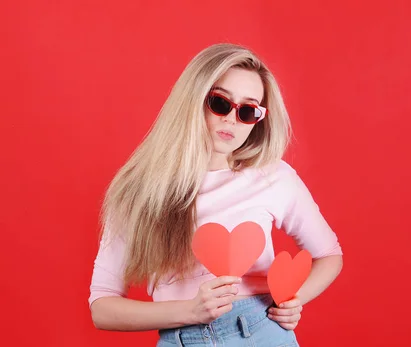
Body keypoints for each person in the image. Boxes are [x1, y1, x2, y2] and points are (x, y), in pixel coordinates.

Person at [88, 43, 344, 347]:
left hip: (261, 332)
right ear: (193, 99)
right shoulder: (140, 190)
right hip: (181, 339)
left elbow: (329, 255)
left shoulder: (273, 176)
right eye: (221, 103)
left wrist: (293, 300)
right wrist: (190, 311)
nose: (232, 119)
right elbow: (102, 307)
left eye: (248, 111)